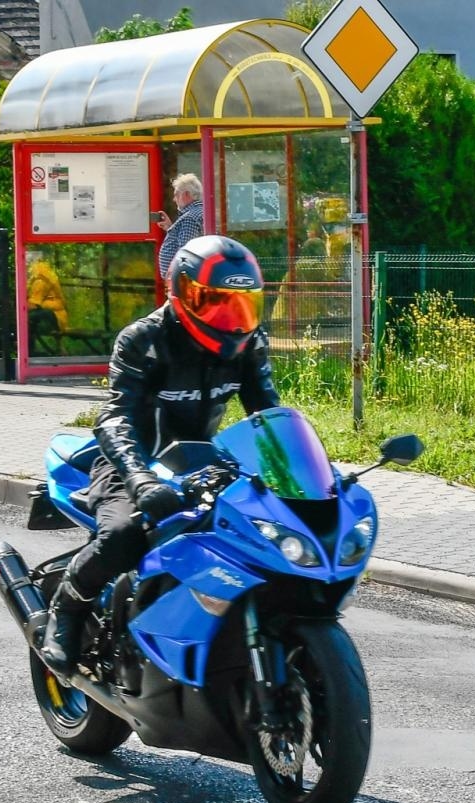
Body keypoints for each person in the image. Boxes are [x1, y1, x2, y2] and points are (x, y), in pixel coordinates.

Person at [41, 235, 281, 675]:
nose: (231, 318)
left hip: (201, 463)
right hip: (130, 461)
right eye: (217, 303)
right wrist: (140, 479)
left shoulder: (249, 343)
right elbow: (114, 418)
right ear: (182, 293)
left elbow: (267, 414)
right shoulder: (144, 340)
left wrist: (298, 472)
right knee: (123, 535)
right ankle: (66, 610)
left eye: (241, 305)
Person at [156, 173, 204, 282]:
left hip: (181, 281)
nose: (174, 199)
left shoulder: (189, 218)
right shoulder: (198, 212)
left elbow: (185, 253)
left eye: (176, 194)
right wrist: (170, 228)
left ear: (186, 194)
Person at [25, 248, 68, 343]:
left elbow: (33, 305)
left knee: (26, 317)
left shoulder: (40, 278)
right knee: (28, 317)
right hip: (56, 316)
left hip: (55, 318)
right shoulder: (41, 273)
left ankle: (26, 346)